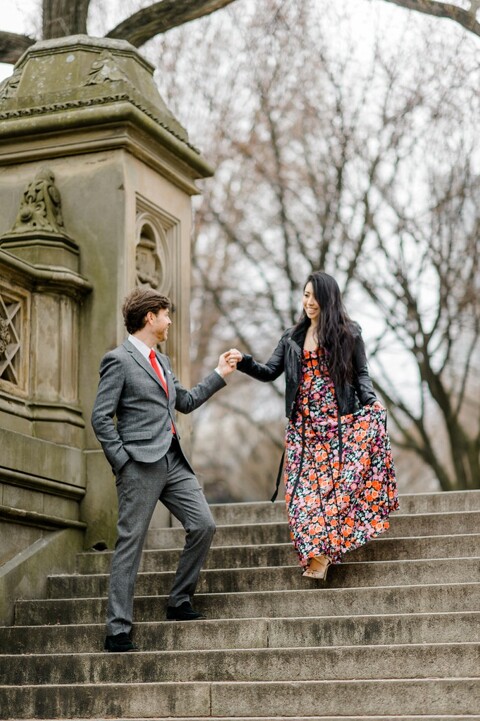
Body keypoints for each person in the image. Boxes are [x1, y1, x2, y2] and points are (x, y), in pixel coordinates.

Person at [91, 287, 237, 652]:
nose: (170, 320)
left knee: (204, 524)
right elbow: (100, 417)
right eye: (166, 314)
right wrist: (122, 461)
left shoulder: (163, 361)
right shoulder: (118, 360)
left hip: (173, 460)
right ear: (149, 318)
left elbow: (184, 402)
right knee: (131, 543)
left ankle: (179, 600)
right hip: (138, 463)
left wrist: (220, 372)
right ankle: (117, 629)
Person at [227, 271, 398, 580]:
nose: (308, 302)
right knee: (301, 497)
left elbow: (361, 375)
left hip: (338, 428)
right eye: (305, 295)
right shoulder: (291, 337)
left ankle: (321, 559)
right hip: (303, 431)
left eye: (314, 296)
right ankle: (314, 552)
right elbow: (269, 371)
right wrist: (243, 360)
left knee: (334, 494)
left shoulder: (350, 333)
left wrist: (371, 402)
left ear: (328, 299)